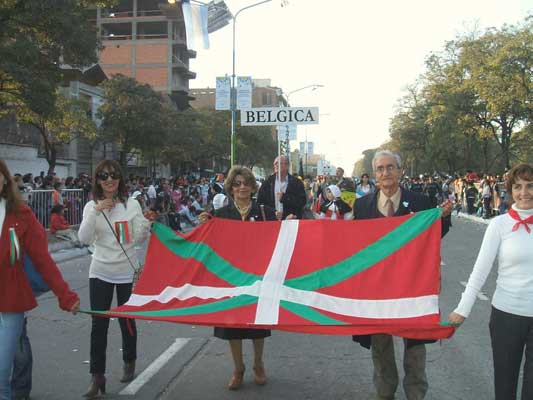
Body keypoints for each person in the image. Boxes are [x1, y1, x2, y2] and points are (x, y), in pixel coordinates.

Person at [351, 150, 452, 400]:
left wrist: (443, 218)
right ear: (375, 175)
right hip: (377, 289)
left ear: (400, 171)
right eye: (380, 169)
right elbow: (354, 245)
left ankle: (415, 392)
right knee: (380, 344)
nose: (386, 173)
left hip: (412, 286)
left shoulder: (419, 202)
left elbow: (432, 237)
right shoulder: (362, 206)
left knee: (415, 345)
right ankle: (385, 392)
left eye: (390, 167)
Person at [449, 163, 533, 400]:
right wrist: (462, 309)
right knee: (505, 387)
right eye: (518, 187)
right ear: (510, 190)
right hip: (507, 315)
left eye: (530, 186)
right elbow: (480, 269)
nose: (524, 192)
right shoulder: (499, 224)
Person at [0, 159, 80, 400]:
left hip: (9, 304)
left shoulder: (21, 215)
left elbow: (43, 260)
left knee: (1, 375)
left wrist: (66, 296)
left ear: (5, 178)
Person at [78, 160, 154, 398]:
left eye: (113, 175)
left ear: (120, 179)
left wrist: (145, 223)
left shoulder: (131, 204)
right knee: (98, 324)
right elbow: (84, 238)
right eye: (103, 176)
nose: (109, 180)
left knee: (126, 320)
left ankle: (129, 359)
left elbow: (138, 239)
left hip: (126, 271)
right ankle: (96, 375)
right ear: (97, 181)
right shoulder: (91, 206)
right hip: (100, 270)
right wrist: (97, 211)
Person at [213, 166, 277, 390]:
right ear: (230, 188)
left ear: (252, 186)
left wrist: (286, 223)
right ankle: (238, 368)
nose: (242, 187)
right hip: (231, 279)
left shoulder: (265, 212)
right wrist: (204, 224)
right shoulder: (220, 216)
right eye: (237, 184)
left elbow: (278, 240)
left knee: (257, 323)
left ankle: (258, 364)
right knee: (233, 326)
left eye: (246, 183)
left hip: (258, 277)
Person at [257, 155, 306, 220]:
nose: (276, 165)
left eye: (279, 163)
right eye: (275, 163)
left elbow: (302, 201)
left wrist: (286, 198)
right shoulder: (267, 183)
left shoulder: (296, 183)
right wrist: (272, 213)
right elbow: (260, 203)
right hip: (272, 222)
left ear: (287, 166)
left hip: (291, 221)